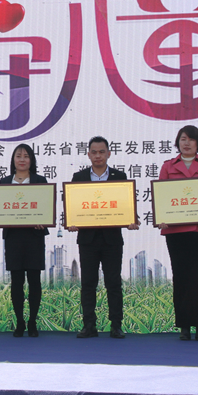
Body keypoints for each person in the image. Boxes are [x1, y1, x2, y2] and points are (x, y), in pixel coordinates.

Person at [68, 136, 139, 339]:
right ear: (88, 154)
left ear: (108, 153)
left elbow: (125, 206)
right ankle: (89, 325)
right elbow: (74, 206)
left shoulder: (119, 176)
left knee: (113, 283)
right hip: (87, 240)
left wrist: (131, 220)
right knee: (88, 284)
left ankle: (116, 325)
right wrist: (72, 221)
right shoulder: (79, 177)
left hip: (112, 240)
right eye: (94, 152)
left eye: (101, 152)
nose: (98, 155)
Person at [156, 126, 198, 341]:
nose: (187, 143)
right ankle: (184, 325)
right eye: (183, 139)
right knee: (180, 276)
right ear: (178, 142)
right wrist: (162, 216)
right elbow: (162, 195)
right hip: (176, 230)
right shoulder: (168, 166)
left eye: (191, 139)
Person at [0, 144, 48, 337]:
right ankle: (19, 322)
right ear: (13, 160)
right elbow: (0, 208)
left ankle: (32, 321)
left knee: (34, 280)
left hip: (34, 237)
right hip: (14, 238)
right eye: (18, 156)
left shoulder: (40, 181)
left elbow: (45, 206)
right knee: (16, 281)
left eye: (26, 156)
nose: (22, 159)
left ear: (31, 160)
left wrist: (43, 220)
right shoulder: (4, 181)